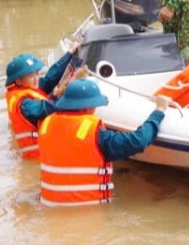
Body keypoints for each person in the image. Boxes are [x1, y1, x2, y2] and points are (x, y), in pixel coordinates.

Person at [38, 80, 171, 207]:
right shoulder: (96, 134)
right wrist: (158, 111)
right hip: (87, 212)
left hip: (49, 206)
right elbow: (138, 141)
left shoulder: (47, 124)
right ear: (89, 108)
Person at [4, 44, 86, 159]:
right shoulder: (24, 104)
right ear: (19, 81)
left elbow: (50, 78)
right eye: (31, 76)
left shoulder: (27, 87)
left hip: (46, 149)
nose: (36, 78)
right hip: (40, 156)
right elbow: (49, 108)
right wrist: (69, 87)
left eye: (37, 73)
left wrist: (69, 54)